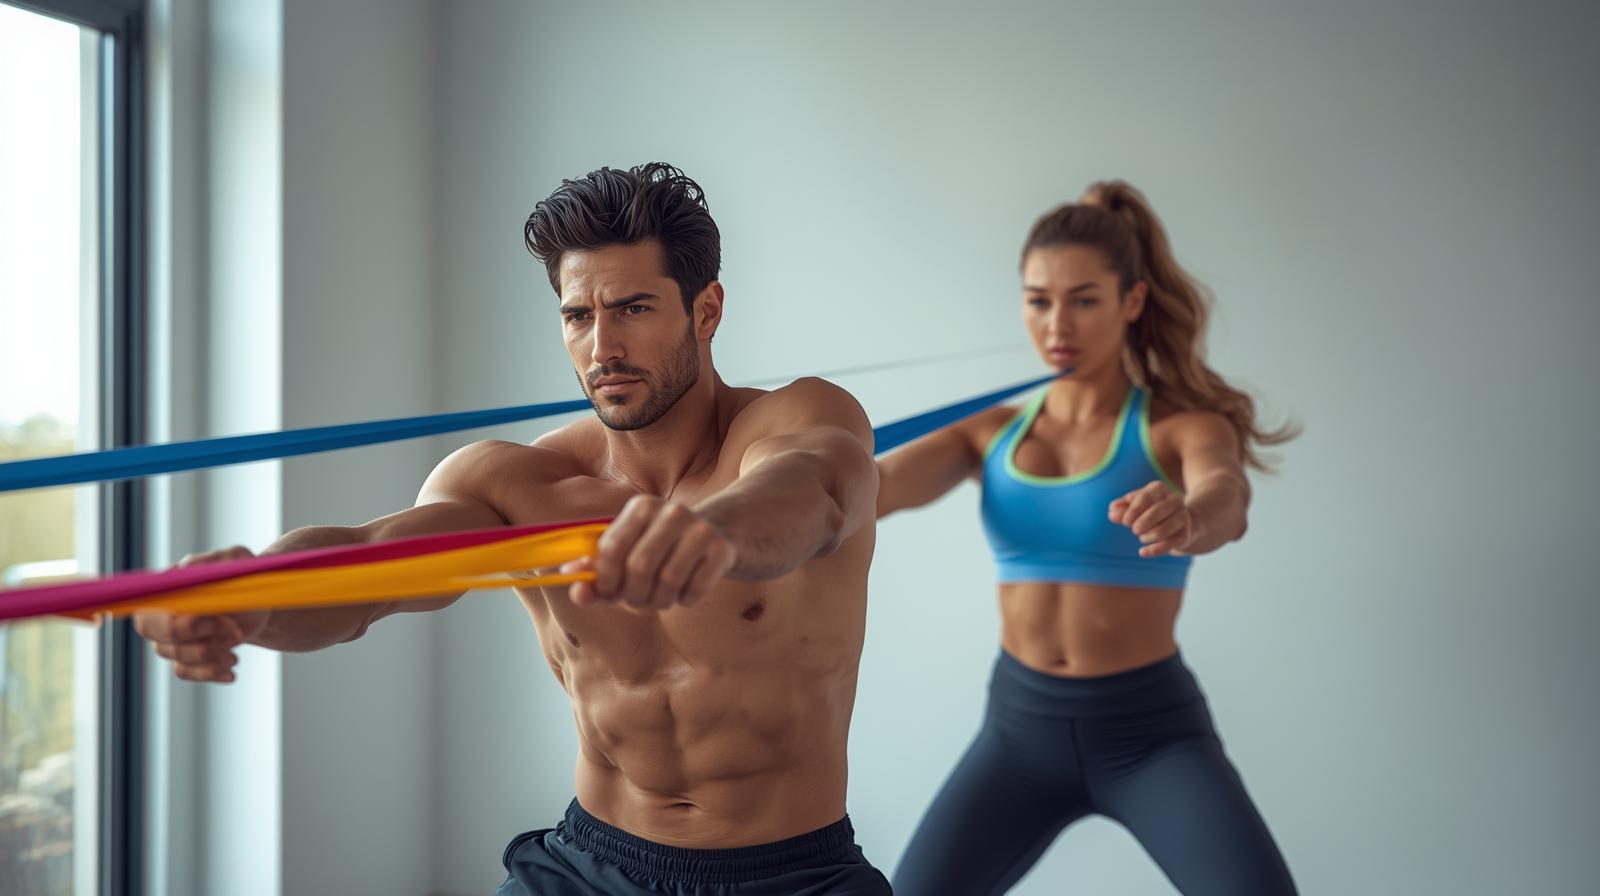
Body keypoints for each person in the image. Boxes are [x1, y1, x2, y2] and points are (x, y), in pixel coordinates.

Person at [135, 163, 891, 895]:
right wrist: (254, 596)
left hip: (797, 875)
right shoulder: (519, 483)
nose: (603, 349)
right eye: (578, 316)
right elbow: (374, 565)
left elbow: (815, 491)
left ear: (706, 311)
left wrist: (715, 532)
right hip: (587, 865)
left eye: (633, 309)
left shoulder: (798, 420)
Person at [878, 181, 1299, 895]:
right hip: (1018, 733)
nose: (1056, 325)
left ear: (1131, 302)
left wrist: (1191, 518)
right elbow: (872, 489)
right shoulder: (989, 431)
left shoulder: (1181, 427)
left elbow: (1228, 499)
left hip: (1151, 737)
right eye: (1038, 300)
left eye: (1083, 300)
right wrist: (772, 465)